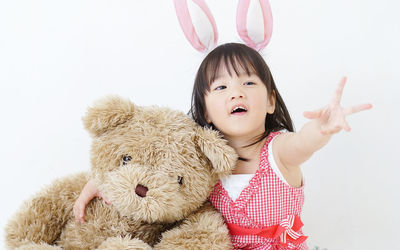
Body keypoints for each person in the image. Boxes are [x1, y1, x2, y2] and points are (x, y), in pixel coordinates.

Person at [73, 43, 372, 249]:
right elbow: (150, 163)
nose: (236, 93)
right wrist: (101, 183)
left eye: (249, 83)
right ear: (205, 111)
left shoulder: (278, 151)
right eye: (221, 87)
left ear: (270, 101)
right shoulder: (199, 156)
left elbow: (303, 144)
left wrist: (321, 129)